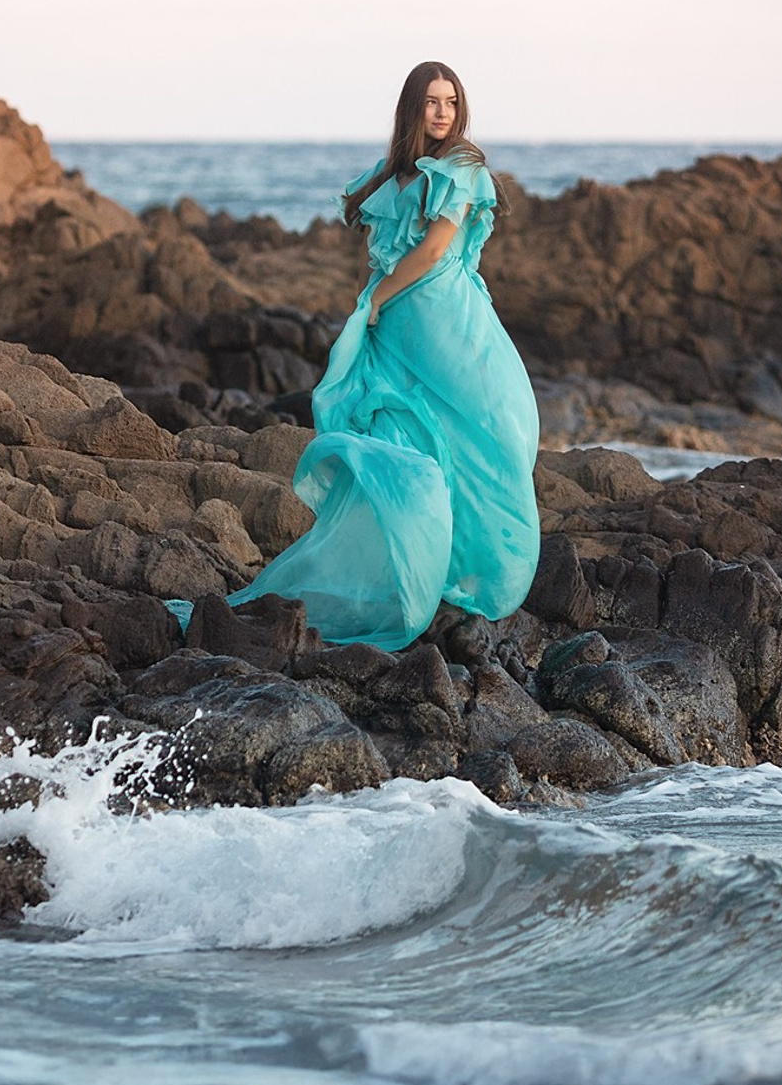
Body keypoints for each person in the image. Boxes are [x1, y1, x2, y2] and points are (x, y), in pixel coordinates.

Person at [204, 61, 541, 652]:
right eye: (433, 102)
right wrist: (378, 304)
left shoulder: (462, 166)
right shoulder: (396, 173)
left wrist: (377, 298)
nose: (443, 112)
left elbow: (436, 248)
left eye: (452, 101)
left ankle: (476, 572)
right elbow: (385, 244)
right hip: (399, 325)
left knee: (486, 433)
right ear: (413, 108)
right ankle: (416, 565)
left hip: (443, 319)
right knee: (410, 435)